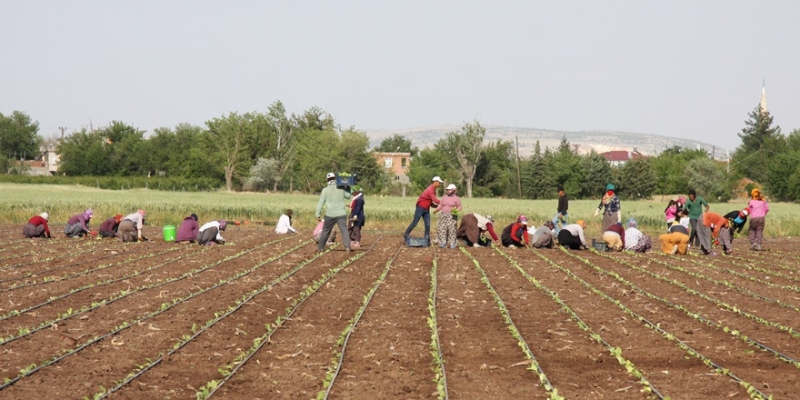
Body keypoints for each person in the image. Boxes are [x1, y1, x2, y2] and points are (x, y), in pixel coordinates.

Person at [315, 172, 352, 252]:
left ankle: (320, 248)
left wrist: (317, 214)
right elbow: (348, 196)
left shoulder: (325, 190)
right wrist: (348, 186)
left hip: (330, 214)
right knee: (344, 230)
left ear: (327, 180)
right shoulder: (341, 188)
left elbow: (321, 202)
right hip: (341, 213)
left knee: (326, 231)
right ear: (335, 179)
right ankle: (347, 247)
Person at [404, 176, 443, 245]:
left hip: (426, 209)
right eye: (439, 183)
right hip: (420, 208)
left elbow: (430, 202)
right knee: (415, 222)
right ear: (435, 182)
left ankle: (426, 238)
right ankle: (406, 234)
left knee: (427, 225)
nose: (440, 184)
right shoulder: (430, 189)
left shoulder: (433, 190)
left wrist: (437, 206)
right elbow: (435, 200)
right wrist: (445, 203)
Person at [434, 183, 462, 249]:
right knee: (442, 228)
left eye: (450, 190)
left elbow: (459, 207)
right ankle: (442, 242)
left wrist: (456, 211)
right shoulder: (444, 197)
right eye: (447, 190)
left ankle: (452, 243)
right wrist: (437, 210)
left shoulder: (457, 199)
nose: (448, 191)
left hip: (452, 216)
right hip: (443, 215)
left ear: (454, 190)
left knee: (452, 229)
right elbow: (441, 205)